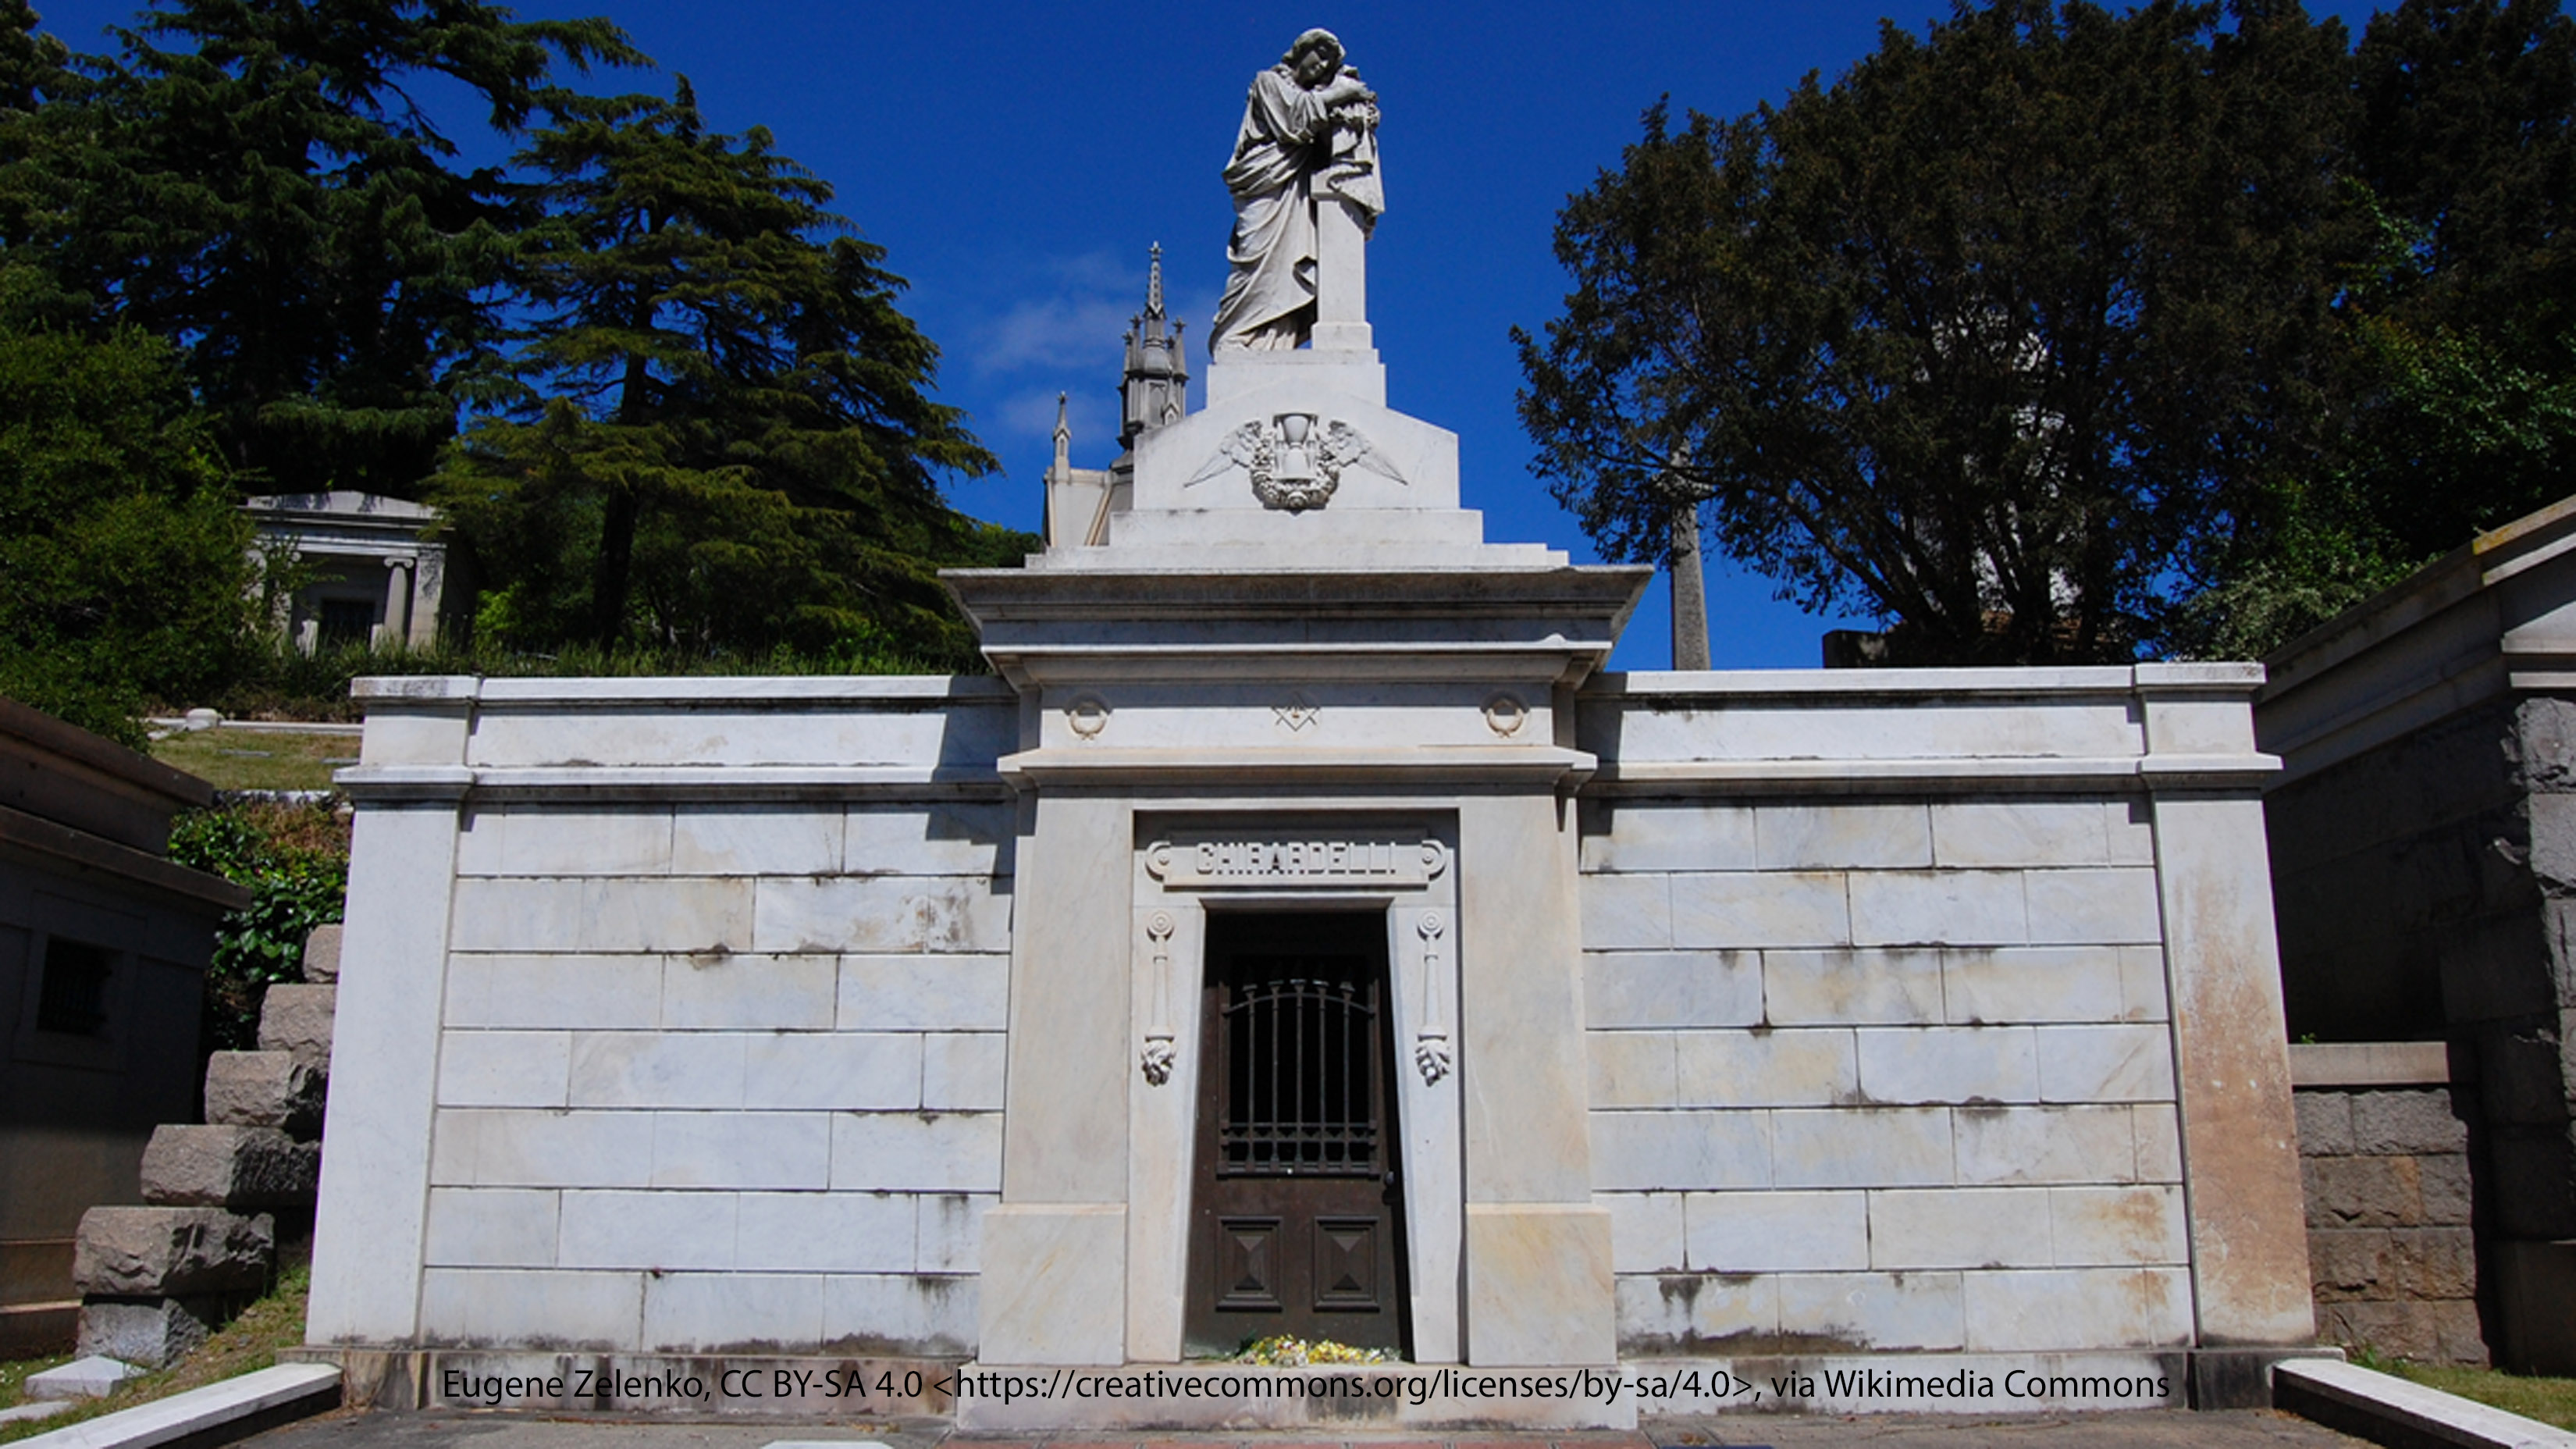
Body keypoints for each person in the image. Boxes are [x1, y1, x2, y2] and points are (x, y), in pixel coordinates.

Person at [1209, 29, 1383, 352]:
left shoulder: (1318, 99)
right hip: (1265, 182)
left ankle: (1277, 340)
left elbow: (1324, 128)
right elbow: (1294, 117)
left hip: (1297, 190)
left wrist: (1357, 111)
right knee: (1255, 256)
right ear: (1300, 53)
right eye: (1316, 61)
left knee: (1289, 265)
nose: (1317, 70)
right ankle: (1239, 333)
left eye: (1324, 68)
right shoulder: (1267, 82)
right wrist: (1342, 93)